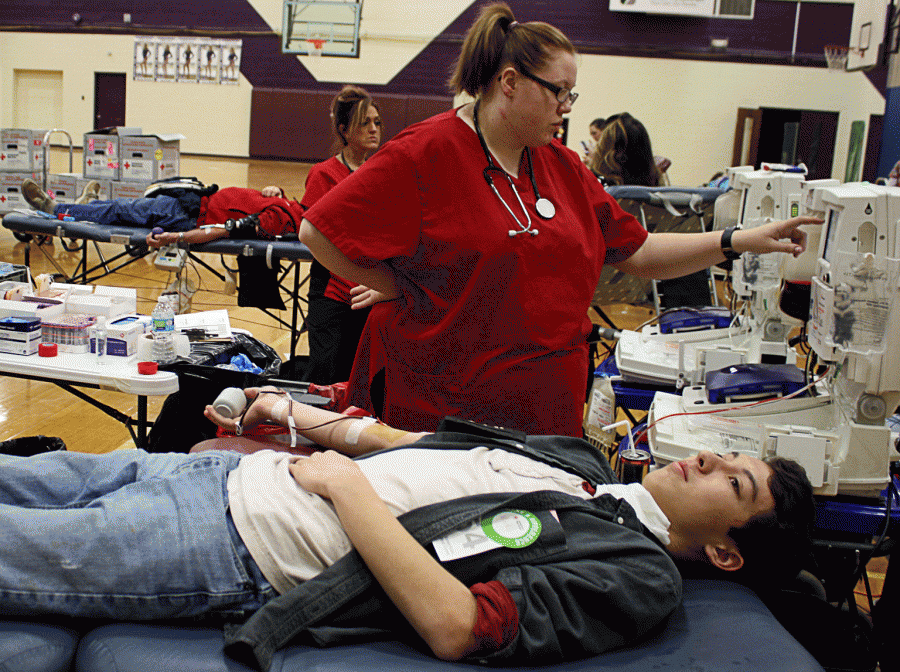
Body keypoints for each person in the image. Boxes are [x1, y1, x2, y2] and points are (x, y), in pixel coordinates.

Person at [0, 387, 815, 672]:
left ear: (725, 551)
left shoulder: (638, 572)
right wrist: (298, 416)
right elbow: (408, 446)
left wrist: (346, 491)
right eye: (723, 454)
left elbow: (458, 626)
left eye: (731, 481)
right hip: (208, 474)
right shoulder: (584, 464)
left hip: (235, 547)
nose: (704, 459)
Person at [298, 2, 822, 437]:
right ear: (509, 82)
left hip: (546, 412)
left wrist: (739, 240)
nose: (567, 107)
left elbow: (636, 252)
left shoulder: (560, 164)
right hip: (446, 411)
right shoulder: (425, 152)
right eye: (559, 91)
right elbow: (317, 231)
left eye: (571, 94)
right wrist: (397, 284)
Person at [299, 85, 383, 385]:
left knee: (365, 378)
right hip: (333, 290)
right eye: (365, 123)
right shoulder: (323, 174)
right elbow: (314, 236)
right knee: (326, 376)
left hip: (373, 288)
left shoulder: (385, 172)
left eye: (377, 122)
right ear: (343, 129)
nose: (374, 129)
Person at [20, 178, 303, 244]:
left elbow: (225, 230)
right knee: (125, 207)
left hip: (188, 217)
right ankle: (84, 206)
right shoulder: (291, 205)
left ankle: (55, 208)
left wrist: (179, 238)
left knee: (121, 209)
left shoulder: (284, 218)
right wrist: (273, 190)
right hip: (196, 200)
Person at [587, 112, 663, 186]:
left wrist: (594, 163)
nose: (593, 137)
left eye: (594, 133)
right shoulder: (656, 185)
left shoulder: (602, 183)